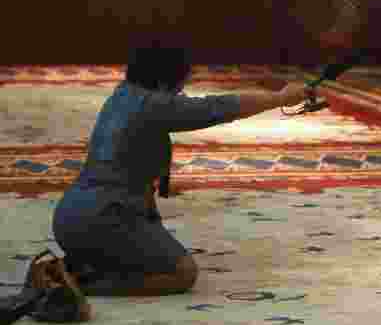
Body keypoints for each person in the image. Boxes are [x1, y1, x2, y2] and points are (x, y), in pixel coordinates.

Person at [52, 43, 309, 297]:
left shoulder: (122, 95)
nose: (181, 92)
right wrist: (281, 98)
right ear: (165, 84)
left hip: (69, 218)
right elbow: (218, 106)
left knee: (140, 254)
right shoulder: (154, 107)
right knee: (182, 273)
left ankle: (73, 268)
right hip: (103, 221)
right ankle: (73, 288)